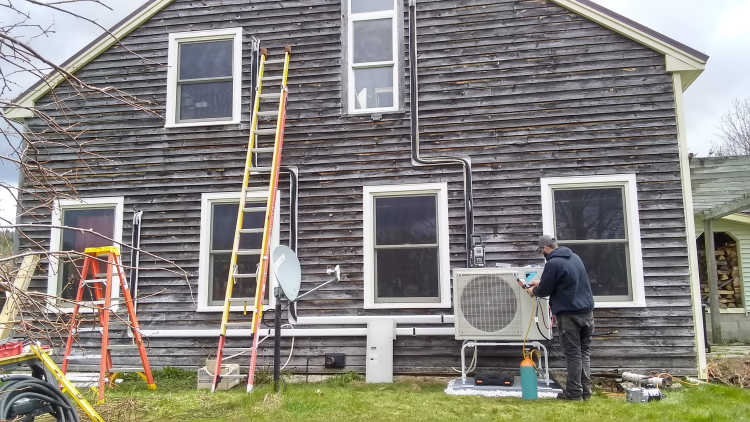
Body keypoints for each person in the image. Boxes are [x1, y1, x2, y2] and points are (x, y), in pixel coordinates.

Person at [525, 235, 595, 401]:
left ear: (545, 249)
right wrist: (541, 282)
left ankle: (573, 393)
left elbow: (544, 291)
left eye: (541, 250)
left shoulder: (552, 263)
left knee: (573, 354)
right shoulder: (574, 257)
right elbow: (566, 280)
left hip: (569, 313)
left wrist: (533, 291)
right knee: (584, 351)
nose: (542, 253)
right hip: (587, 312)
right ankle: (586, 391)